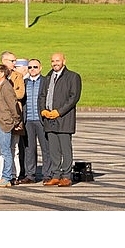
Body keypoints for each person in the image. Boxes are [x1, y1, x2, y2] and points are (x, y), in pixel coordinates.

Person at [39, 52, 81, 186]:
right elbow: (42, 95)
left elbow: (73, 97)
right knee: (53, 149)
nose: (55, 63)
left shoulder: (73, 77)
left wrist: (59, 112)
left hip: (64, 119)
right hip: (49, 119)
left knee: (65, 148)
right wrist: (43, 110)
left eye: (57, 61)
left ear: (64, 61)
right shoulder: (48, 77)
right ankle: (55, 174)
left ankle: (66, 175)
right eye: (53, 61)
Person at [18, 60, 45, 184]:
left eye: (35, 67)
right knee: (29, 148)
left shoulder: (45, 81)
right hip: (28, 120)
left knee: (46, 148)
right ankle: (30, 174)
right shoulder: (24, 82)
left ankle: (48, 174)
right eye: (30, 67)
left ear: (40, 68)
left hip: (41, 120)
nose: (32, 69)